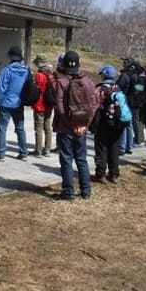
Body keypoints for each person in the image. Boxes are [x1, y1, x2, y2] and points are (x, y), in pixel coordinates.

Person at [54, 50, 97, 200]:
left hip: (65, 127)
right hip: (82, 127)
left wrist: (69, 122)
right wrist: (85, 123)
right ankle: (86, 190)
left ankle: (68, 191)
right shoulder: (88, 81)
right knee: (81, 158)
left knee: (66, 158)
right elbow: (94, 103)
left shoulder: (62, 81)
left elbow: (59, 106)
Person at [92, 64, 132, 184]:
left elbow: (93, 106)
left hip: (104, 123)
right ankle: (114, 173)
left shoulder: (100, 89)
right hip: (118, 123)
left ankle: (101, 174)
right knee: (114, 147)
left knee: (101, 147)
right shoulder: (118, 88)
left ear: (104, 75)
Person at [0, 45, 30, 161]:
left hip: (7, 103)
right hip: (19, 103)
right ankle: (23, 152)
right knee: (20, 128)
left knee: (2, 128)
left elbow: (1, 88)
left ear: (10, 56)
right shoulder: (26, 70)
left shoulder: (7, 70)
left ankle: (1, 152)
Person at [31, 54, 54, 157]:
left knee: (39, 128)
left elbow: (36, 90)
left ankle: (38, 150)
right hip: (49, 105)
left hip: (40, 105)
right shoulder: (51, 75)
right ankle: (47, 149)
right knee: (48, 128)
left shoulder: (39, 76)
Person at [116, 58, 138, 154]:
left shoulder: (124, 75)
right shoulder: (135, 75)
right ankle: (129, 146)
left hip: (124, 101)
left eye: (124, 63)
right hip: (133, 102)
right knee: (129, 124)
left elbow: (118, 87)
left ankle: (122, 147)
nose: (123, 64)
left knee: (123, 124)